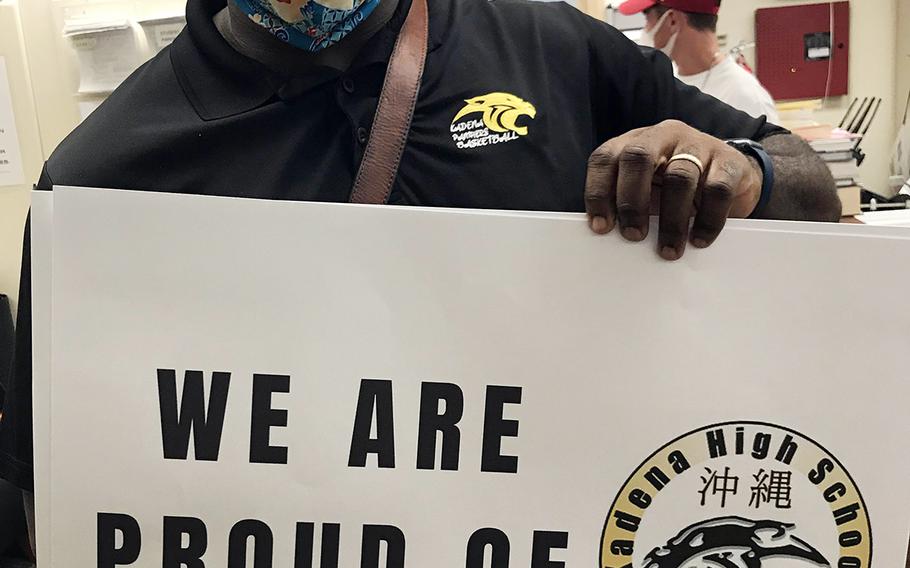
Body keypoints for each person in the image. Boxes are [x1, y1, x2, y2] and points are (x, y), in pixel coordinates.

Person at [0, 0, 839, 538]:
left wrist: (742, 171)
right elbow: (67, 502)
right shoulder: (101, 179)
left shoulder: (550, 46)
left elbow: (809, 186)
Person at [619, 0, 780, 122]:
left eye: (647, 19)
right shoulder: (667, 80)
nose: (645, 29)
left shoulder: (746, 98)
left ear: (672, 20)